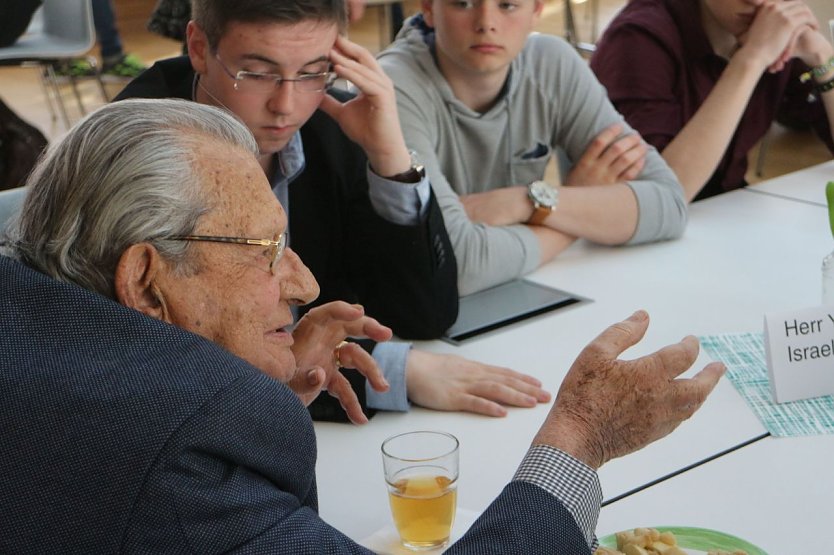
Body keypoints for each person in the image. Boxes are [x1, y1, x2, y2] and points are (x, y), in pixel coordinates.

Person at [0, 98, 725, 553]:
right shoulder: (174, 460)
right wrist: (580, 435)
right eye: (266, 252)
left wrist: (259, 396)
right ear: (146, 284)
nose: (304, 284)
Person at [117, 0, 552, 420]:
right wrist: (394, 371)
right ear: (198, 48)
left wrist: (390, 156)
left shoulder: (335, 123)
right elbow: (160, 367)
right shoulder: (137, 154)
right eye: (257, 73)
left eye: (312, 72)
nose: (286, 106)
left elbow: (423, 314)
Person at [377, 1, 687, 296]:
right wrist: (573, 214)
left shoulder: (553, 64)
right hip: (402, 320)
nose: (486, 23)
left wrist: (524, 202)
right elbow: (456, 266)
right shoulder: (393, 87)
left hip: (525, 289)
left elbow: (670, 205)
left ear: (536, 9)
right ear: (429, 8)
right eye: (463, 3)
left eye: (508, 5)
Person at [590, 0, 834, 202]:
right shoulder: (638, 39)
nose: (760, 2)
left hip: (724, 212)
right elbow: (659, 197)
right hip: (639, 238)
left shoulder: (774, 29)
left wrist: (823, 58)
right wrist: (751, 59)